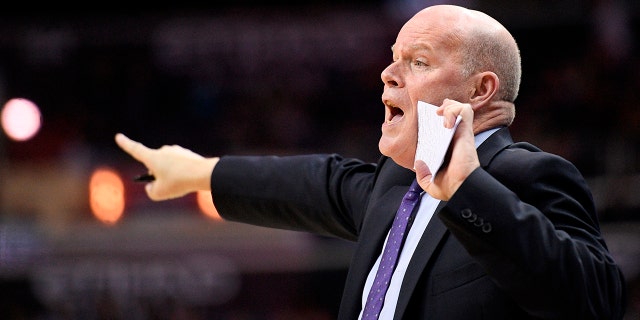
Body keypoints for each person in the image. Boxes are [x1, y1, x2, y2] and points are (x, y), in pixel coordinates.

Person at [114, 4, 627, 320]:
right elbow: (316, 184)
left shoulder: (528, 175)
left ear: (480, 90)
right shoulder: (396, 186)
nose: (387, 73)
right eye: (394, 57)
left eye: (418, 61)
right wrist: (198, 172)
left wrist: (468, 188)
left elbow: (596, 301)